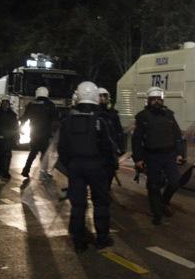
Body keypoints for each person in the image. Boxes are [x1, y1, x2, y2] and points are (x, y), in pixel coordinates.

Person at [57, 81, 118, 251]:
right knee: (101, 203)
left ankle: (78, 241)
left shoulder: (68, 120)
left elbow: (62, 147)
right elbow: (107, 146)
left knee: (78, 204)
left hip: (76, 166)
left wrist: (70, 164)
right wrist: (110, 165)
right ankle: (102, 238)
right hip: (96, 165)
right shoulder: (100, 120)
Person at [131, 87, 186, 225]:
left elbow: (177, 136)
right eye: (153, 99)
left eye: (159, 99)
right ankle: (157, 214)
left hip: (169, 154)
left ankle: (164, 202)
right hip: (152, 156)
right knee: (154, 186)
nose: (156, 102)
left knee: (174, 182)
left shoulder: (169, 115)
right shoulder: (142, 117)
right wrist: (138, 158)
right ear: (148, 100)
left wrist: (180, 153)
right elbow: (136, 140)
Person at [21, 86, 57, 180]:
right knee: (44, 154)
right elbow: (55, 119)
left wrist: (21, 127)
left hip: (34, 133)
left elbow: (24, 117)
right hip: (45, 134)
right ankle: (43, 172)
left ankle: (26, 170)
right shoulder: (50, 105)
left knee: (32, 153)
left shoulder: (31, 104)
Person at [0, 94, 20, 178]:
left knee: (7, 155)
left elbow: (16, 127)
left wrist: (17, 137)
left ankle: (5, 171)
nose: (5, 105)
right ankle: (0, 169)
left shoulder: (12, 115)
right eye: (4, 103)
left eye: (7, 103)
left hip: (8, 138)